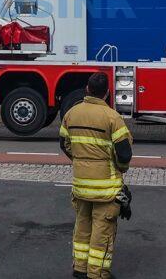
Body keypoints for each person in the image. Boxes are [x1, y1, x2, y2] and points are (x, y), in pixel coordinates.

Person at [60, 72, 133, 279]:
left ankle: (80, 268)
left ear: (87, 89)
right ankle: (97, 272)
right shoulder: (113, 117)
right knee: (102, 232)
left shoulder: (71, 113)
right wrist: (120, 169)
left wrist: (80, 161)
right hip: (105, 189)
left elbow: (64, 144)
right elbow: (124, 154)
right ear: (108, 93)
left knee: (82, 226)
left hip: (81, 185)